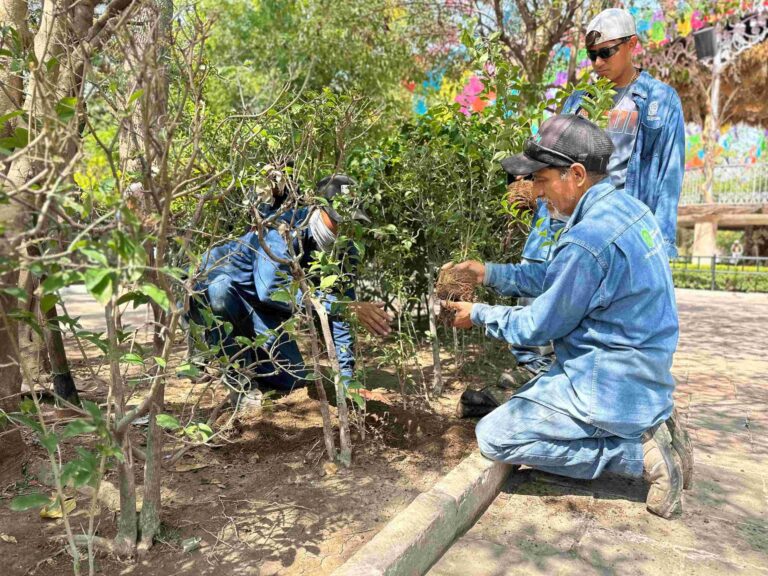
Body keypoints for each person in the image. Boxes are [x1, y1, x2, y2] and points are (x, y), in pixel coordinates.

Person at [441, 115, 693, 518]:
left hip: (605, 383)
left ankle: (639, 456)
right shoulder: (630, 212)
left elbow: (540, 324)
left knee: (494, 436)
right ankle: (652, 427)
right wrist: (487, 272)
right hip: (642, 374)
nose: (537, 194)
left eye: (541, 181)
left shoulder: (586, 239)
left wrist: (479, 314)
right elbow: (557, 279)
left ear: (575, 174)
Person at [486, 7, 686, 398]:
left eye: (606, 53)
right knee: (537, 282)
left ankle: (594, 379)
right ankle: (536, 369)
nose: (597, 63)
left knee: (603, 309)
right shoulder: (579, 100)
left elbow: (669, 176)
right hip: (565, 216)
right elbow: (552, 156)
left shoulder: (659, 101)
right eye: (591, 55)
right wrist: (531, 187)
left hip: (617, 225)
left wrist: (658, 244)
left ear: (633, 46)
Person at [189, 174, 391, 407]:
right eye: (339, 219)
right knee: (220, 291)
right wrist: (344, 307)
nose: (345, 227)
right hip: (215, 288)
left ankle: (250, 360)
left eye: (351, 220)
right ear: (320, 208)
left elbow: (341, 311)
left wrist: (346, 380)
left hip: (260, 307)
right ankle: (237, 378)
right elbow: (270, 288)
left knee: (292, 378)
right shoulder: (284, 227)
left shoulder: (345, 250)